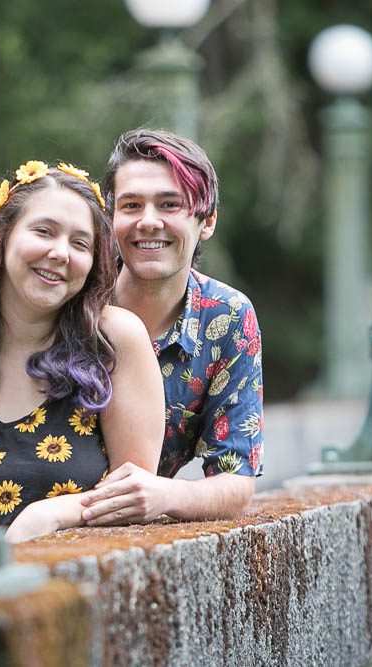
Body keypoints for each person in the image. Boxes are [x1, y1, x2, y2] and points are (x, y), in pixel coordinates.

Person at [0, 160, 164, 543]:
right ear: (4, 235)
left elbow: (134, 496)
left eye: (80, 243)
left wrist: (53, 514)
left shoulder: (113, 344)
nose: (60, 253)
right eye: (44, 231)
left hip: (66, 592)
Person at [80, 129, 264, 525]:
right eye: (131, 205)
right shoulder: (75, 294)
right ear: (111, 218)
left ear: (207, 220)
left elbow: (236, 479)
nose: (148, 221)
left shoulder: (227, 317)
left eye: (169, 204)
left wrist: (163, 494)